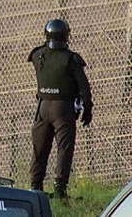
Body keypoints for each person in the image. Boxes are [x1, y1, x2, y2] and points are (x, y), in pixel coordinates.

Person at [28, 18, 93, 200]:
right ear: (65, 35)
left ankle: (36, 187)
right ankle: (60, 190)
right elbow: (84, 87)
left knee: (39, 149)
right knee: (63, 148)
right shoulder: (70, 59)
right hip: (62, 108)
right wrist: (88, 108)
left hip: (42, 107)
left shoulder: (37, 55)